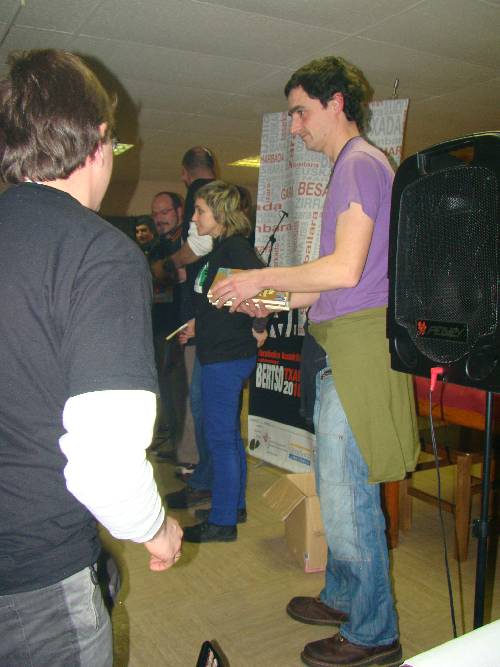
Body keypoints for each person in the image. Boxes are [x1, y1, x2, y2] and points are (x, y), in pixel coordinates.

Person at [209, 55, 420, 667]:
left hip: (357, 349)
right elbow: (329, 286)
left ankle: (375, 633)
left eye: (301, 112)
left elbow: (344, 271)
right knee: (338, 486)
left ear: (336, 103)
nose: (294, 127)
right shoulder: (354, 167)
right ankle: (344, 597)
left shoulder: (357, 165)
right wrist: (267, 299)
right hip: (342, 342)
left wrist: (258, 276)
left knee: (349, 496)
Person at [0, 49, 182, 667]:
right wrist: (157, 528)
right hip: (34, 571)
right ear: (100, 141)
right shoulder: (98, 253)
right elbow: (103, 465)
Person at [180, 181, 267, 543]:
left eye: (200, 211)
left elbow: (267, 293)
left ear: (220, 214)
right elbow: (223, 301)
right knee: (226, 436)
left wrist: (259, 326)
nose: (194, 217)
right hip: (217, 351)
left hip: (227, 357)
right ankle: (233, 507)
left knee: (221, 438)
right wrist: (199, 325)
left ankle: (223, 521)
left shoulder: (235, 248)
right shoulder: (222, 248)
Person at [159, 146, 217, 510]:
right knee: (203, 405)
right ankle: (204, 477)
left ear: (186, 173)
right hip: (204, 321)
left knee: (204, 407)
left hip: (205, 324)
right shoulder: (220, 196)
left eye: (198, 213)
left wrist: (168, 265)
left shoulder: (200, 191)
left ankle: (202, 476)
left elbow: (198, 246)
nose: (194, 217)